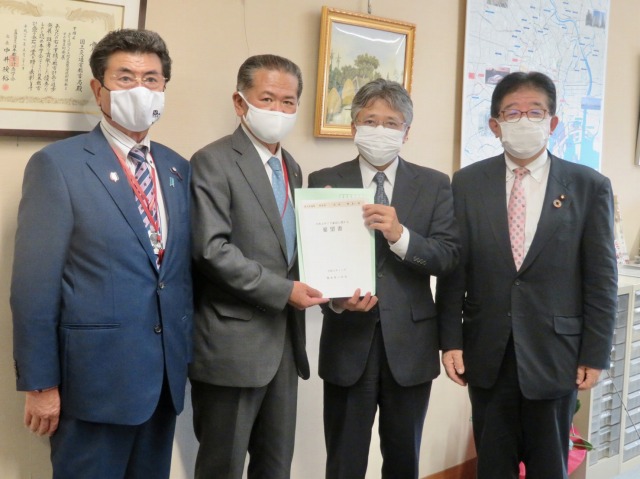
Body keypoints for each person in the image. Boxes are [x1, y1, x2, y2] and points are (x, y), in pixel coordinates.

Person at [10, 29, 192, 479]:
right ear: (98, 89)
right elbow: (34, 287)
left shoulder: (177, 167)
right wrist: (40, 384)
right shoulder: (59, 165)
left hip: (162, 382)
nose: (140, 89)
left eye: (151, 79)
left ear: (164, 88)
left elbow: (175, 273)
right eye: (125, 77)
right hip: (93, 385)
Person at [437, 71, 617, 478]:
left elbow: (601, 279)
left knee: (549, 465)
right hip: (487, 349)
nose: (524, 121)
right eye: (512, 113)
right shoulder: (467, 183)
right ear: (495, 125)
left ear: (552, 122)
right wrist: (450, 341)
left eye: (535, 112)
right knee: (493, 464)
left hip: (556, 353)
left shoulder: (588, 186)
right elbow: (454, 268)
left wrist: (595, 352)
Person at [308, 78, 460, 479]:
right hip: (347, 342)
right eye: (370, 120)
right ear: (353, 126)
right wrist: (335, 301)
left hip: (410, 346)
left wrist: (400, 236)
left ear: (406, 132)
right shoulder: (323, 180)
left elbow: (447, 257)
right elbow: (313, 260)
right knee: (343, 462)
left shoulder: (434, 184)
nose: (380, 130)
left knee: (403, 460)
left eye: (391, 123)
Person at [189, 54, 328, 479]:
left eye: (288, 102)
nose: (278, 110)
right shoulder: (212, 160)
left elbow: (292, 252)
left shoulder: (292, 167)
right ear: (240, 102)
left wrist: (335, 287)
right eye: (267, 99)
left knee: (275, 466)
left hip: (284, 344)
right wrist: (285, 291)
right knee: (222, 467)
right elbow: (211, 250)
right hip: (232, 346)